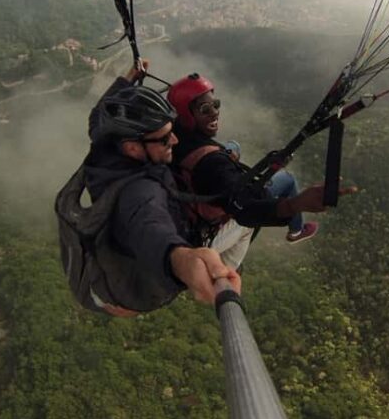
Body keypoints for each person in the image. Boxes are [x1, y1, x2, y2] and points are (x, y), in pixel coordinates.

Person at [57, 62, 240, 318]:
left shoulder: (107, 144)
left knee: (229, 149)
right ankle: (215, 277)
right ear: (133, 148)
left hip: (103, 273)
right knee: (244, 224)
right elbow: (150, 227)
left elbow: (97, 116)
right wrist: (184, 260)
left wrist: (128, 79)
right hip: (128, 293)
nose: (174, 140)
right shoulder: (141, 192)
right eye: (165, 138)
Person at [167, 73, 354, 268]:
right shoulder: (214, 165)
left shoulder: (172, 130)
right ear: (187, 115)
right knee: (287, 181)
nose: (214, 113)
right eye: (204, 109)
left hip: (192, 187)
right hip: (205, 232)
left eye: (216, 104)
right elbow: (246, 209)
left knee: (233, 146)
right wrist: (295, 204)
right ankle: (292, 233)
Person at [224, 140, 318, 243]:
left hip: (247, 188)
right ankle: (296, 231)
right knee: (288, 180)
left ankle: (296, 229)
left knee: (287, 180)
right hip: (246, 195)